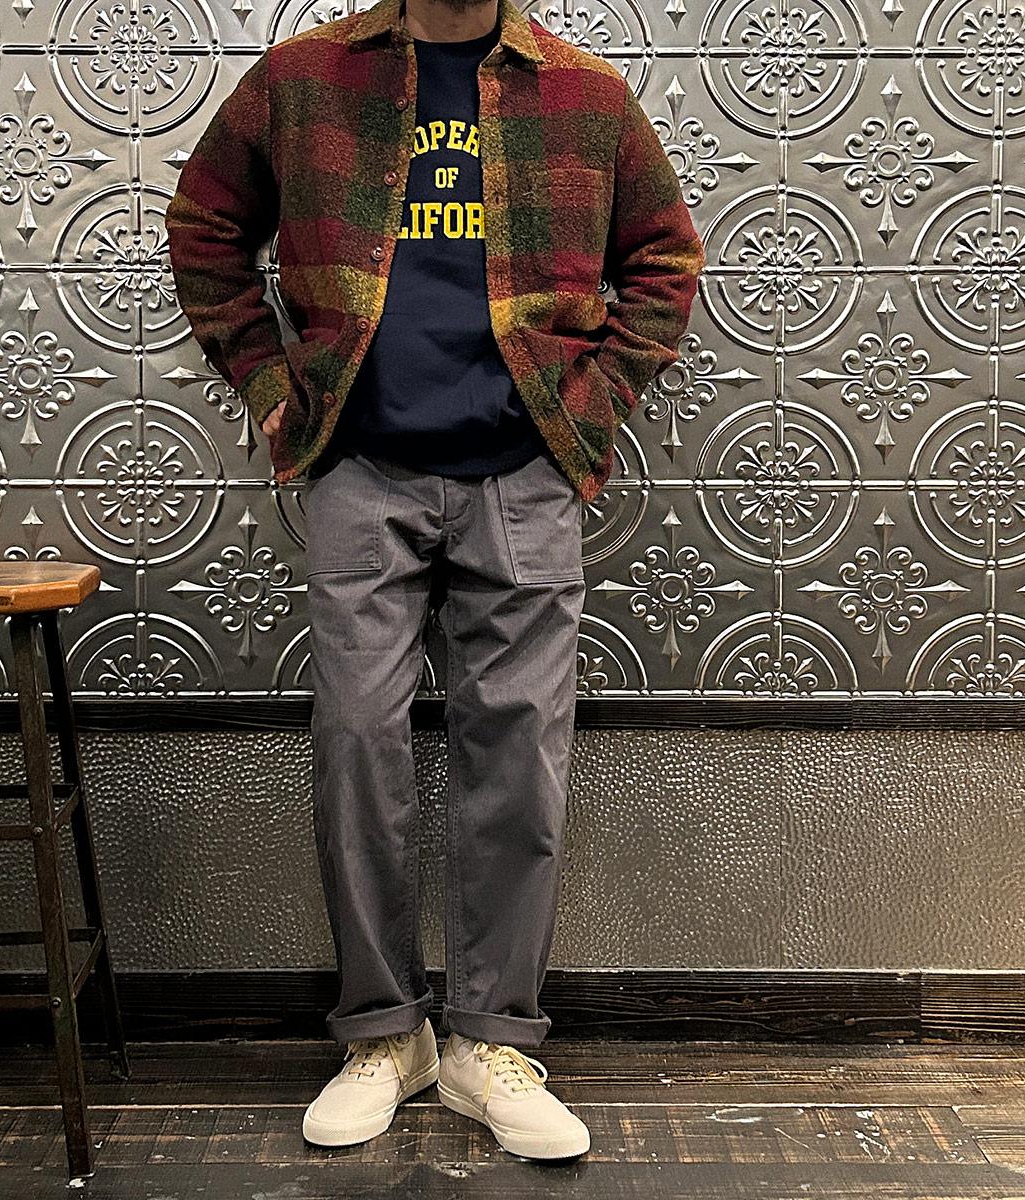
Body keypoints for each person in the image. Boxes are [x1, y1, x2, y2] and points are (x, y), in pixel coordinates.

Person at [165, 0, 704, 1162]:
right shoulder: (302, 78)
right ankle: (383, 1036)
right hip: (363, 468)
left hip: (526, 473)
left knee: (520, 755)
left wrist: (588, 410)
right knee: (356, 740)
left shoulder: (588, 95)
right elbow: (205, 226)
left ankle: (491, 1043)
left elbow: (665, 261)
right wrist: (275, 391)